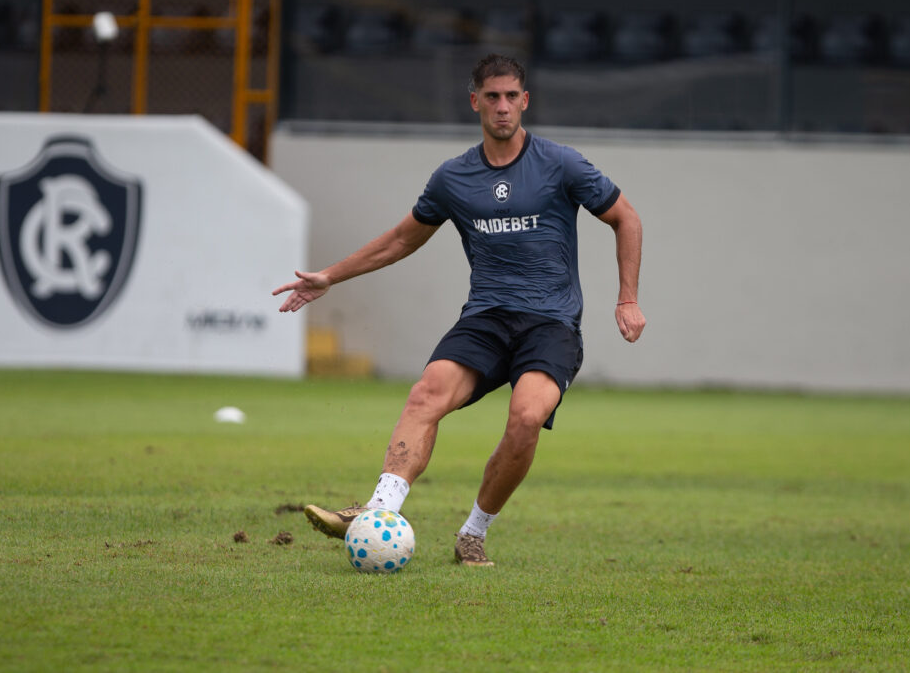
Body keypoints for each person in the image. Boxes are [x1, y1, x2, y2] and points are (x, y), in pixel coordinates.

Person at [272, 54, 645, 567]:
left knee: (527, 417)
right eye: (492, 96)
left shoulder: (561, 164)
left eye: (512, 96)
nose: (503, 106)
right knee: (425, 393)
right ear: (475, 102)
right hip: (487, 318)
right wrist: (330, 276)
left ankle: (473, 532)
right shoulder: (453, 177)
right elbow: (402, 239)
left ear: (525, 101)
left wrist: (626, 298)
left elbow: (626, 218)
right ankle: (375, 512)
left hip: (550, 324)